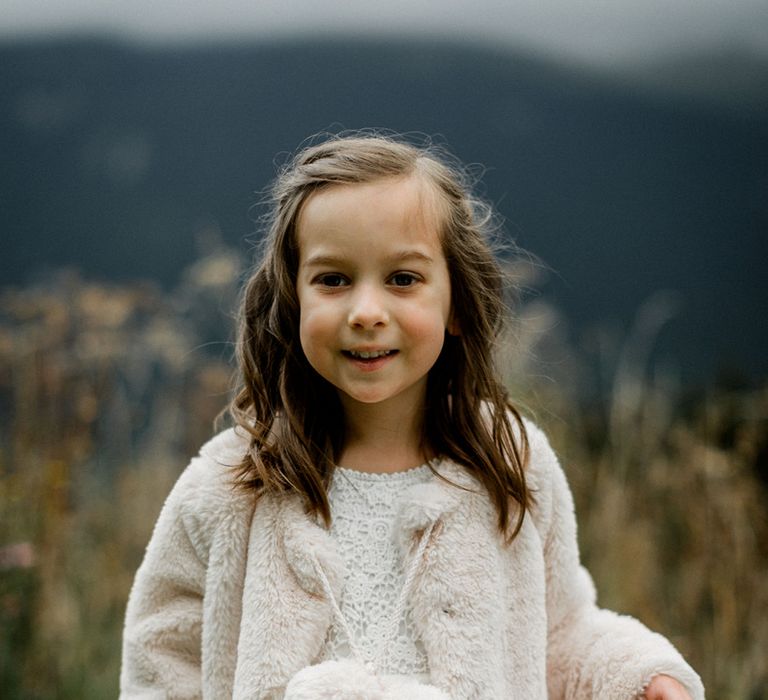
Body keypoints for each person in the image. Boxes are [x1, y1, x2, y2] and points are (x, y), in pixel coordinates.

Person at [120, 133, 705, 699]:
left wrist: (637, 676)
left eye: (403, 279)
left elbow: (562, 632)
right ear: (293, 298)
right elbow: (163, 659)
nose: (367, 311)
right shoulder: (230, 487)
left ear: (455, 304)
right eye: (333, 279)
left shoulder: (511, 464)